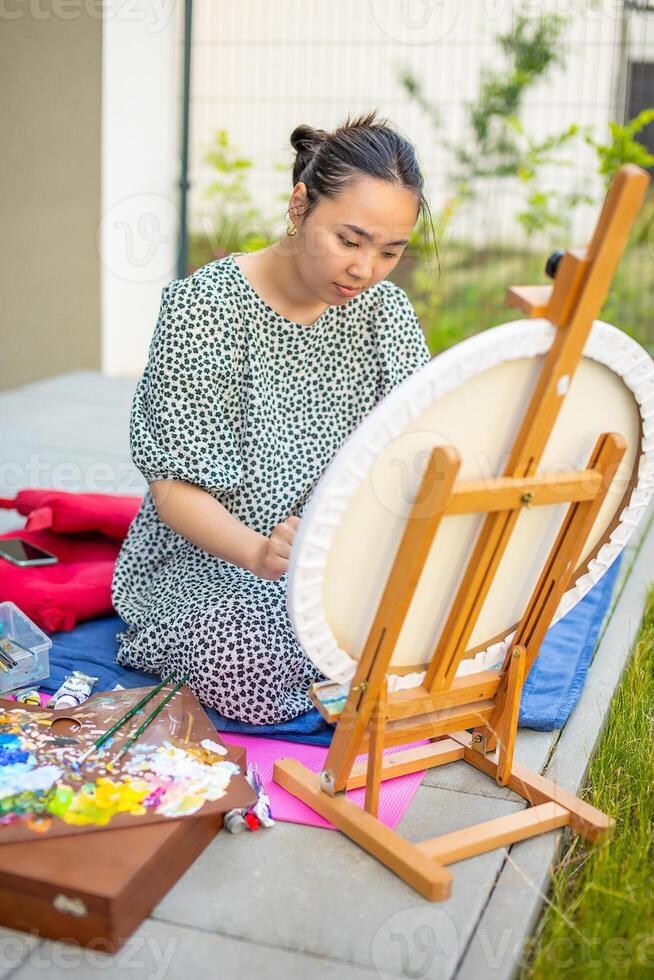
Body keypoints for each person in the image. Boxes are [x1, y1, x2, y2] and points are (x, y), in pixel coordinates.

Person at [111, 109, 438, 724]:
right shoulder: (206, 307)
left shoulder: (385, 314)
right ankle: (349, 672)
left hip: (337, 562)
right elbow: (176, 494)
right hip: (214, 563)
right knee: (245, 653)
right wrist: (261, 555)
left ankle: (349, 662)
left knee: (462, 605)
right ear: (298, 205)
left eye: (390, 252)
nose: (365, 270)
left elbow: (418, 449)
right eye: (350, 240)